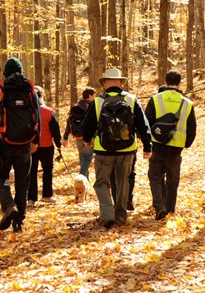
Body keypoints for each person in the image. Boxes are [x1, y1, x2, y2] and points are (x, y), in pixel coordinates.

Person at [82, 68, 152, 229]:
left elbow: (88, 126)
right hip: (127, 150)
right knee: (123, 183)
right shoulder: (132, 100)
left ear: (105, 83)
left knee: (102, 183)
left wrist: (87, 140)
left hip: (103, 150)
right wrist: (147, 147)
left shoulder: (98, 102)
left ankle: (107, 215)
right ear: (121, 82)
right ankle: (121, 216)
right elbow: (143, 126)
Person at [0, 57, 41, 233]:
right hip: (25, 143)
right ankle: (18, 222)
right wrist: (35, 141)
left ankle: (9, 206)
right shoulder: (31, 92)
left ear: (4, 73)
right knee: (22, 182)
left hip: (3, 143)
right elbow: (37, 118)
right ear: (22, 72)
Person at [144, 70, 196, 220]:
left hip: (158, 145)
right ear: (180, 83)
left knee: (155, 177)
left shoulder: (155, 99)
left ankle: (159, 207)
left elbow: (146, 123)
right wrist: (187, 143)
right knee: (173, 179)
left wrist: (148, 143)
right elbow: (192, 127)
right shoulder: (187, 103)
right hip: (176, 148)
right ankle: (170, 209)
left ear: (165, 82)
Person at [28, 86, 62, 206]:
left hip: (31, 146)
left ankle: (31, 198)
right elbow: (55, 130)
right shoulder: (49, 111)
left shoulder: (27, 112)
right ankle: (47, 195)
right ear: (42, 96)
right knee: (47, 170)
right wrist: (59, 144)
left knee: (32, 172)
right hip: (47, 146)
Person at [62, 87, 97, 179]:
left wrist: (65, 137)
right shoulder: (92, 106)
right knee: (87, 159)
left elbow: (69, 121)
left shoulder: (75, 106)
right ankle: (81, 178)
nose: (95, 97)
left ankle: (85, 181)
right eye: (94, 95)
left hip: (78, 136)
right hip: (89, 138)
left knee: (83, 159)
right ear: (90, 95)